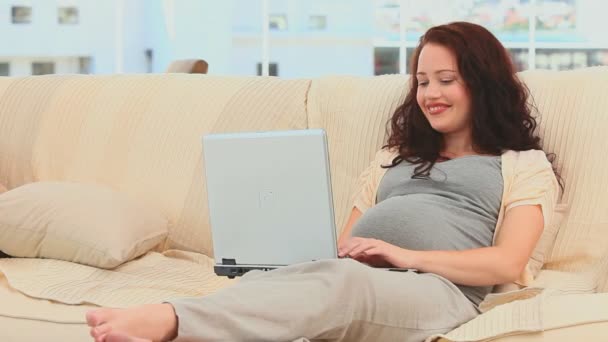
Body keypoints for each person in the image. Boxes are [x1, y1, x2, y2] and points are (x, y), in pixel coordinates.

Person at [85, 21, 562, 342]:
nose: (430, 94)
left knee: (340, 283)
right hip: (357, 277)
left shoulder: (522, 165)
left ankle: (169, 321)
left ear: (482, 84)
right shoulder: (391, 160)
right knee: (308, 275)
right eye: (421, 81)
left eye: (446, 80)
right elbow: (344, 246)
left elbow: (506, 262)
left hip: (441, 293)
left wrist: (404, 256)